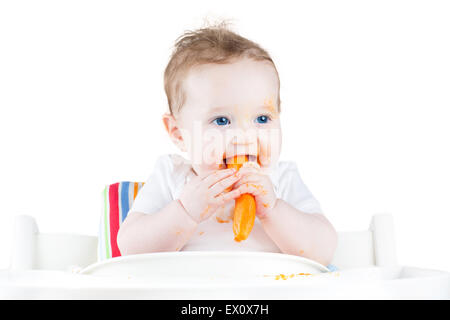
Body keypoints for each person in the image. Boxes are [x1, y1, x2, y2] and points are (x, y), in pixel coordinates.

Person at [117, 22, 338, 267]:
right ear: (178, 133)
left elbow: (324, 250)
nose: (245, 137)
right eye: (221, 121)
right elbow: (130, 249)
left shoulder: (282, 180)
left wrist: (274, 209)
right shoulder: (172, 176)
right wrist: (184, 211)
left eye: (262, 118)